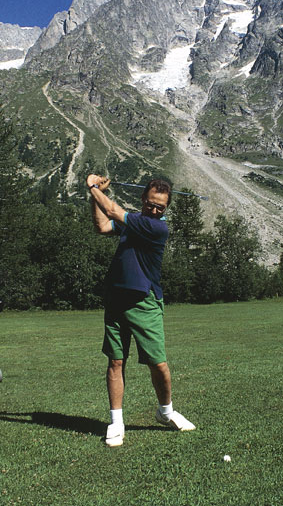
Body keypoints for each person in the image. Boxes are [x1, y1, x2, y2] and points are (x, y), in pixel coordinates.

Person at [87, 174, 195, 447]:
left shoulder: (156, 228)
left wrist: (91, 186)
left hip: (144, 301)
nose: (155, 210)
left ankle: (166, 411)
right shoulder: (133, 221)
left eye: (161, 207)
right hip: (115, 298)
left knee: (158, 363)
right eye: (151, 204)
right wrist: (94, 195)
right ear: (143, 199)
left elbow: (112, 210)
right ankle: (116, 423)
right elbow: (102, 225)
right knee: (115, 362)